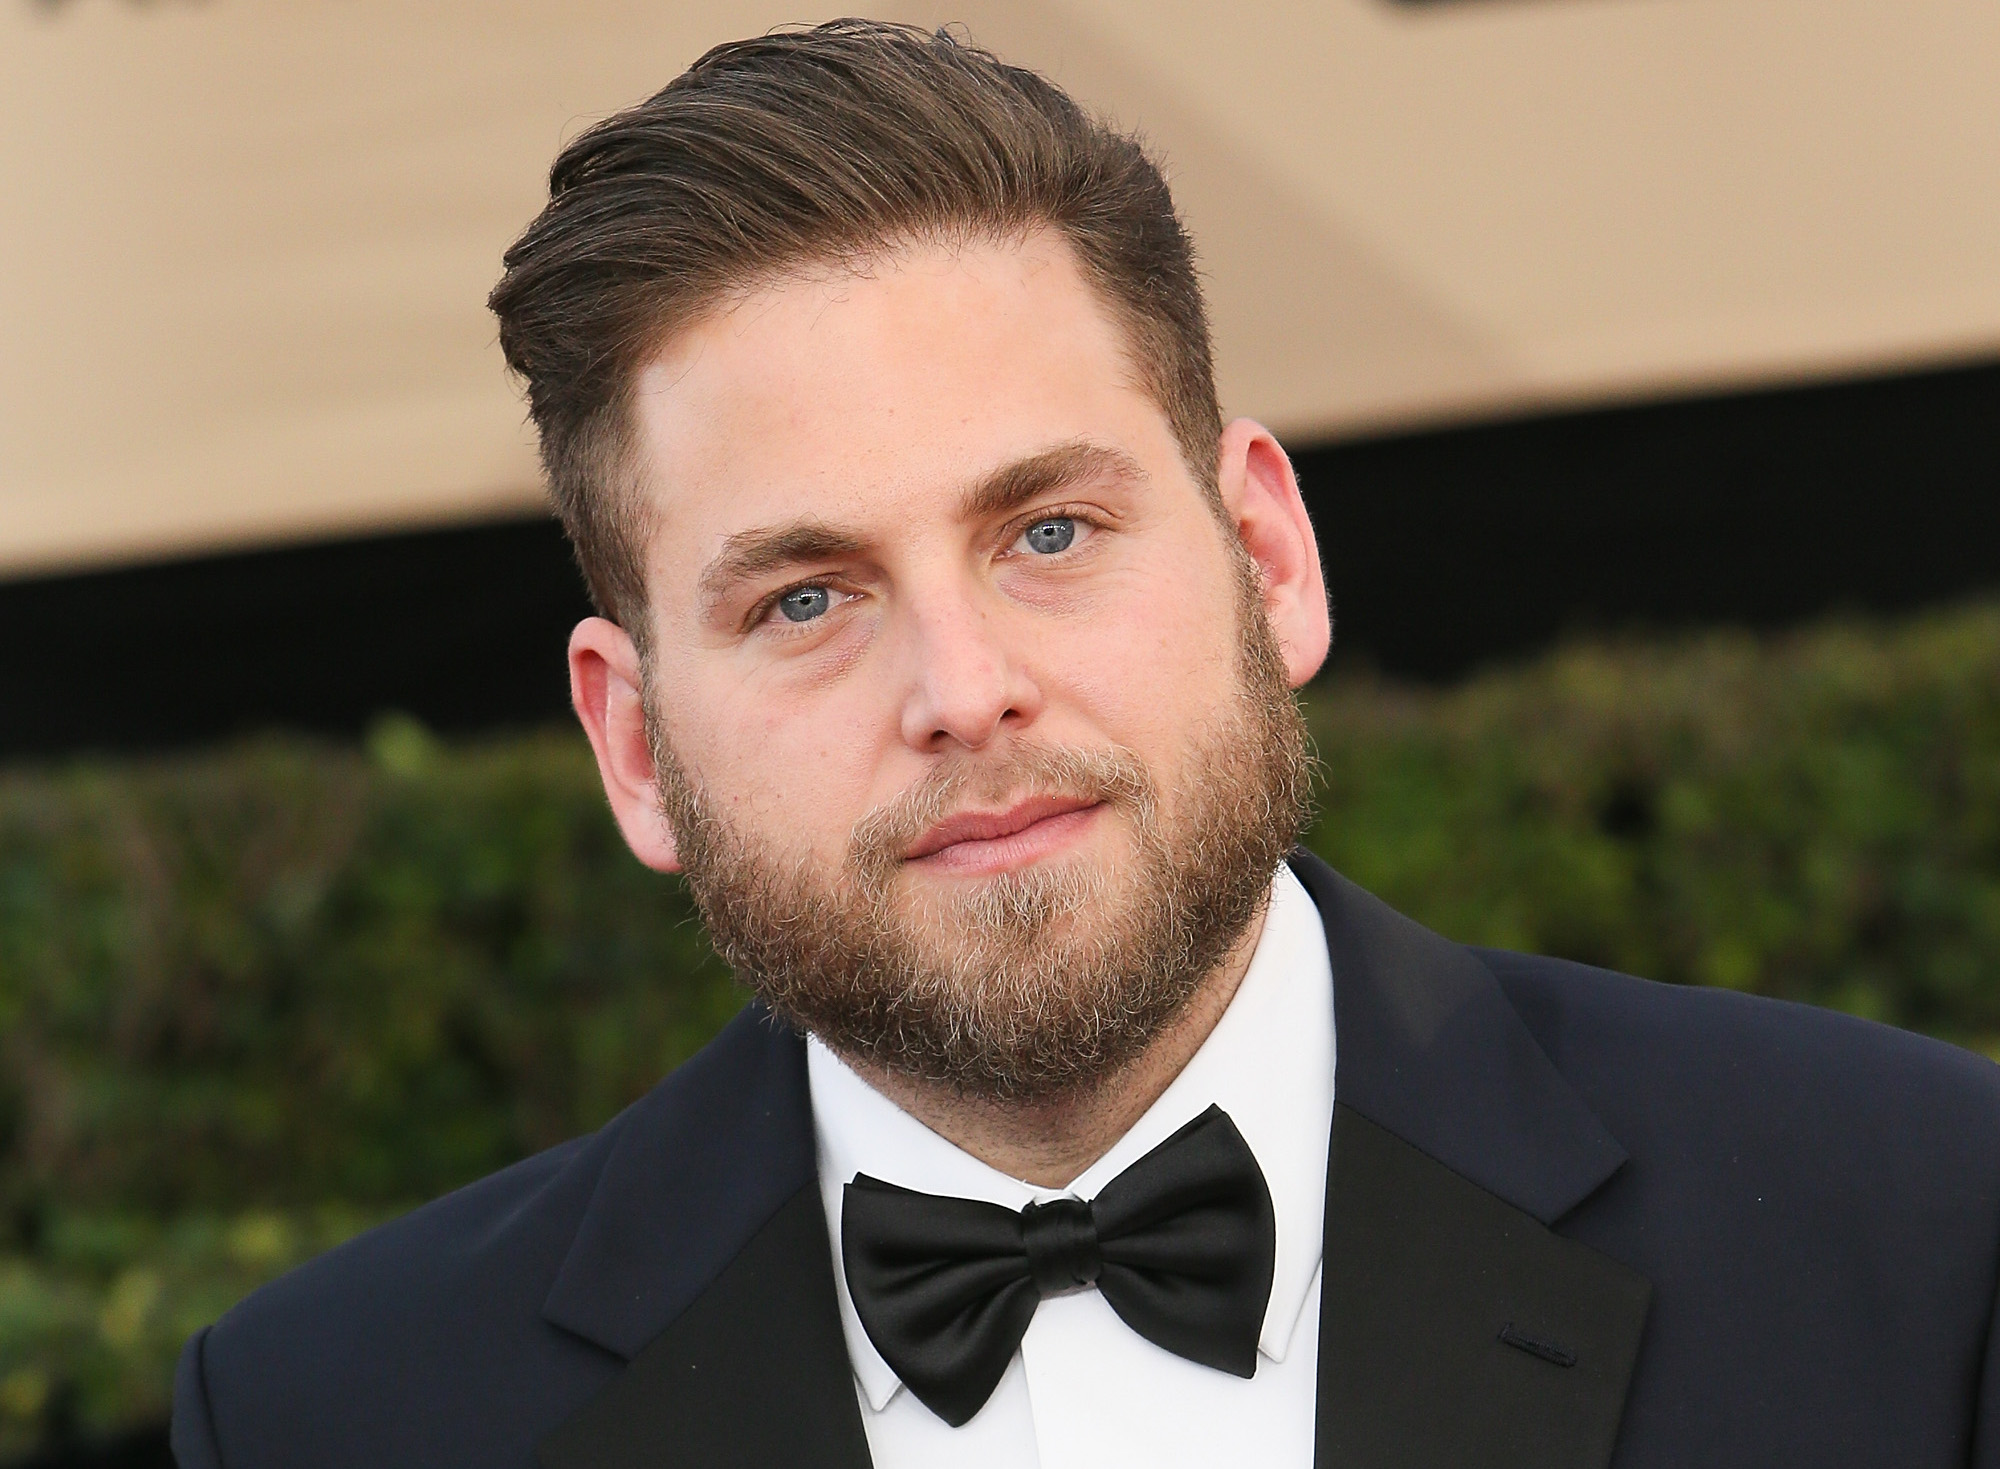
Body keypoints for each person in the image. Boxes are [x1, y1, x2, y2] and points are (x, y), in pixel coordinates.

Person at [171, 21, 2000, 1469]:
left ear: (1266, 558)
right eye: (805, 599)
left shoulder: (1918, 1234)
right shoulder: (340, 1417)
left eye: (1048, 530)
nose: (962, 687)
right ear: (636, 745)